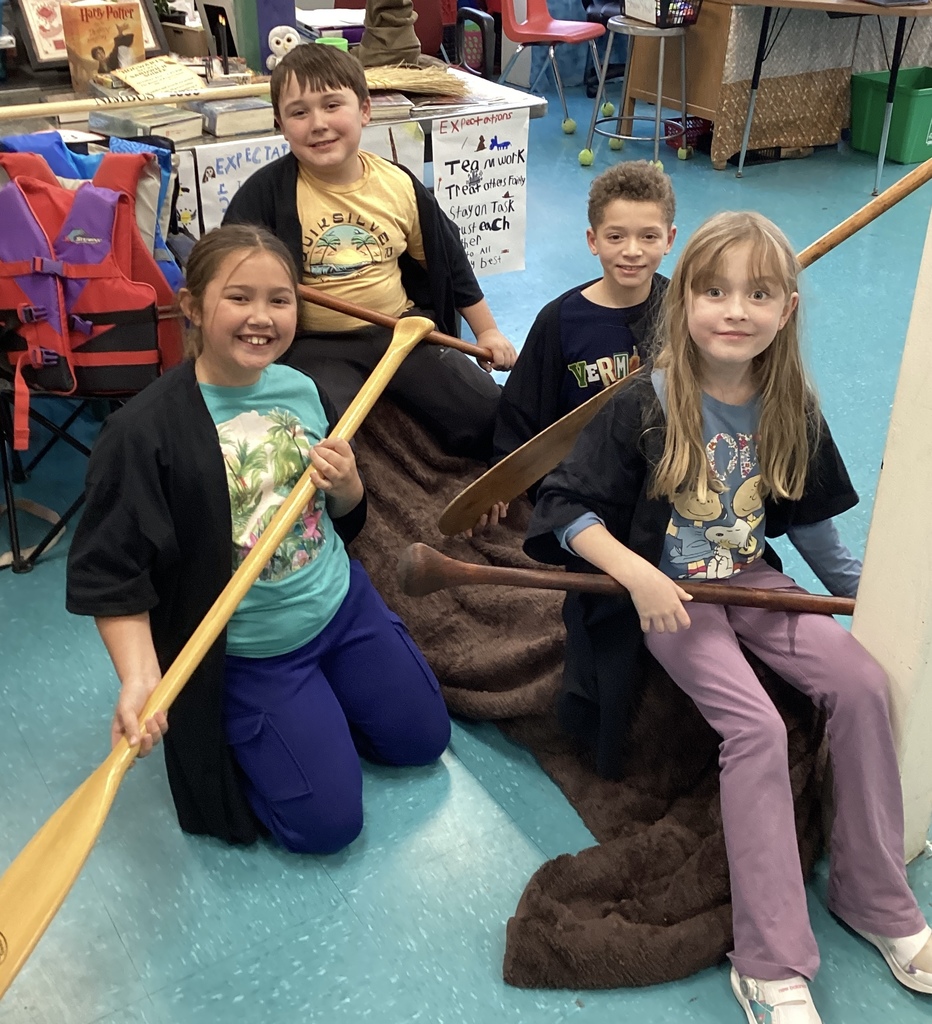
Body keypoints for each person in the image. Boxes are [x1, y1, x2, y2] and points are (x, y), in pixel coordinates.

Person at [524, 211, 931, 1022]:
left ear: (787, 310)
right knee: (756, 728)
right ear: (685, 306)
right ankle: (770, 957)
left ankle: (873, 896)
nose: (735, 310)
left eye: (758, 293)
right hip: (674, 599)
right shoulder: (644, 403)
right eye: (714, 290)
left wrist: (881, 602)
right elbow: (564, 507)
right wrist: (638, 576)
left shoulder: (788, 404)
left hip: (751, 581)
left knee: (858, 680)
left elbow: (816, 534)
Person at [66, 224, 451, 853]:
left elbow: (340, 518)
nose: (262, 318)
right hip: (255, 651)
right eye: (238, 297)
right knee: (326, 829)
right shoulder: (143, 432)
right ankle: (275, 726)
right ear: (192, 307)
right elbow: (111, 573)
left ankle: (326, 705)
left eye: (280, 299)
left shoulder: (300, 389)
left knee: (422, 742)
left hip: (341, 606)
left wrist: (349, 484)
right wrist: (140, 676)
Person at [223, 43, 516, 461]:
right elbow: (232, 279)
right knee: (314, 437)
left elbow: (448, 263)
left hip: (401, 331)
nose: (318, 124)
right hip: (314, 345)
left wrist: (487, 332)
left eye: (331, 105)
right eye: (299, 112)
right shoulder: (263, 195)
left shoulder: (397, 185)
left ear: (364, 110)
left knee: (489, 414)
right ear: (280, 125)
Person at [492, 160, 676, 471]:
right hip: (580, 479)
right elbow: (520, 416)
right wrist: (503, 477)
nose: (632, 251)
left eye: (649, 237)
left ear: (669, 240)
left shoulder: (682, 309)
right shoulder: (560, 321)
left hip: (658, 474)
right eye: (616, 237)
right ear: (593, 240)